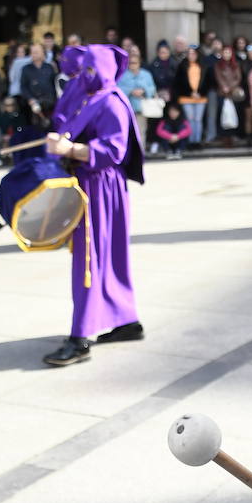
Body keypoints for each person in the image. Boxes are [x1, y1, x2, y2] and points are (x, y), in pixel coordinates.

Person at [42, 45, 145, 367]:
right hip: (92, 183)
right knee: (104, 256)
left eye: (90, 70)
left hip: (100, 185)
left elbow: (113, 150)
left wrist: (70, 148)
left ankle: (80, 337)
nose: (84, 76)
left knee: (90, 259)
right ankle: (125, 320)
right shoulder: (93, 96)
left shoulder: (112, 101)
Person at [117, 48, 156, 149]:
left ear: (139, 63)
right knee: (127, 132)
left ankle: (140, 153)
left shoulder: (146, 74)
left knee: (141, 131)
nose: (132, 65)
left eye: (135, 63)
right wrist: (130, 91)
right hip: (127, 109)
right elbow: (117, 88)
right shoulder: (122, 75)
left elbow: (152, 88)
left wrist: (144, 90)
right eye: (130, 63)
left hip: (142, 108)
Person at [174, 46, 211, 148]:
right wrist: (190, 93)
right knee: (190, 119)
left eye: (193, 53)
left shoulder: (204, 66)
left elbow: (207, 82)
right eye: (189, 54)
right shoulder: (182, 66)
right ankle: (190, 141)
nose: (191, 56)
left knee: (198, 120)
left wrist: (200, 92)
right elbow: (179, 83)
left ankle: (197, 141)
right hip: (186, 98)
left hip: (201, 98)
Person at [214, 45, 246, 147]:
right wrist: (224, 87)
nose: (226, 54)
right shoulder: (218, 65)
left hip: (233, 93)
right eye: (225, 52)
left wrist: (231, 88)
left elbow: (238, 78)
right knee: (223, 114)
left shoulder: (236, 64)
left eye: (228, 52)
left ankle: (233, 135)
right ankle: (224, 136)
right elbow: (218, 77)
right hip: (222, 93)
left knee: (234, 114)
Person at [20, 43, 58, 121]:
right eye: (32, 52)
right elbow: (23, 86)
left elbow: (55, 84)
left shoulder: (49, 67)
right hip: (34, 104)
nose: (34, 54)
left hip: (50, 103)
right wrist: (30, 99)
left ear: (43, 53)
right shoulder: (26, 69)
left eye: (36, 52)